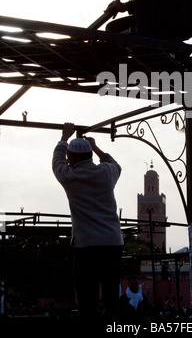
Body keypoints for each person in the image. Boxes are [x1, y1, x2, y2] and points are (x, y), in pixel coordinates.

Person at [52, 122, 123, 322]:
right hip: (112, 243)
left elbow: (57, 161)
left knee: (86, 297)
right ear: (90, 155)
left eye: (69, 157)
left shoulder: (69, 176)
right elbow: (114, 163)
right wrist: (96, 146)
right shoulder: (106, 173)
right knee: (111, 296)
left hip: (86, 247)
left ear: (71, 158)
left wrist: (64, 137)